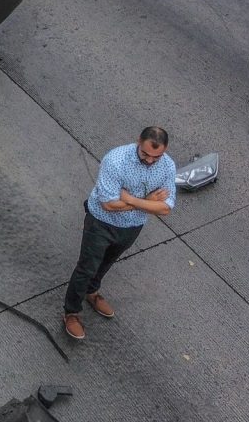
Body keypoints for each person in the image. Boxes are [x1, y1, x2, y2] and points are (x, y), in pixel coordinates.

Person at [63, 127, 177, 340]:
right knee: (87, 267)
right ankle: (71, 312)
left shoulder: (168, 166)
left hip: (132, 226)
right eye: (145, 154)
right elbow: (109, 204)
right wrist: (149, 202)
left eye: (157, 156)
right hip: (101, 223)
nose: (151, 161)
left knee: (107, 262)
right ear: (138, 142)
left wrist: (133, 200)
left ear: (165, 149)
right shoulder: (115, 160)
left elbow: (166, 208)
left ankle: (92, 292)